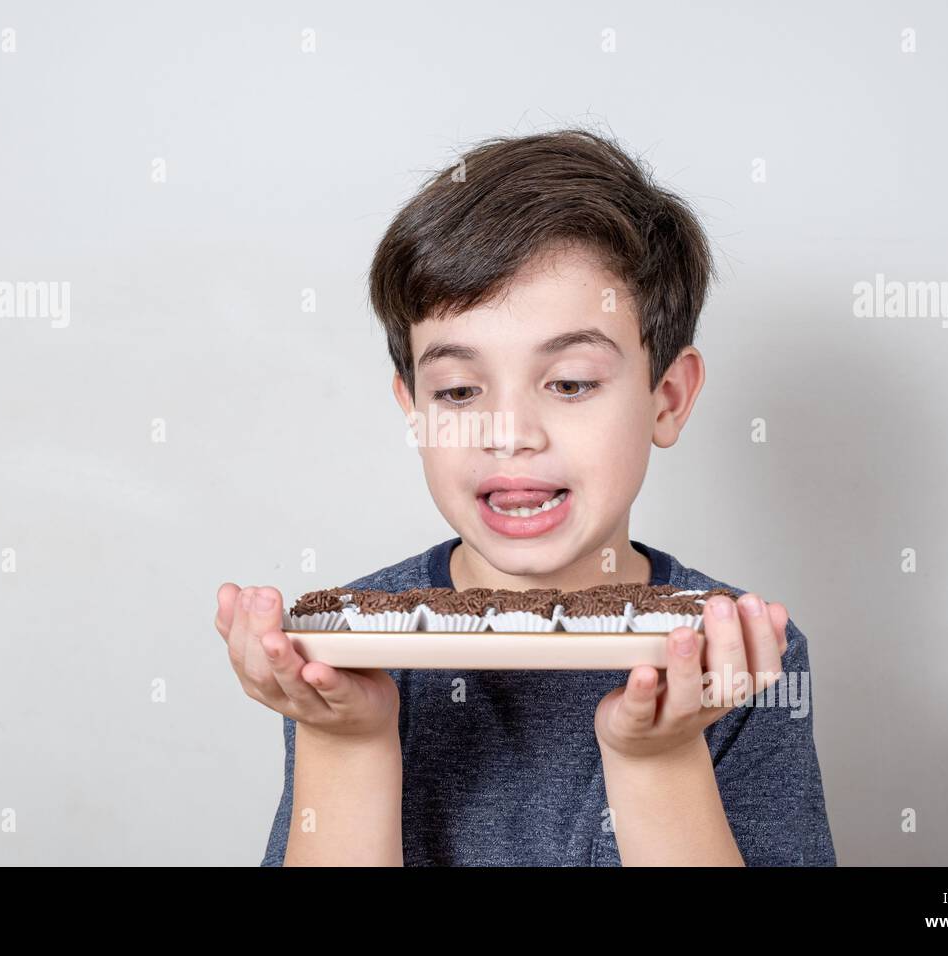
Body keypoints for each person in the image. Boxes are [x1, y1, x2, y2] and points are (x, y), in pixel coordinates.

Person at [215, 128, 837, 866]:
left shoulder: (734, 652)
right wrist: (345, 740)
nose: (508, 434)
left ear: (666, 397)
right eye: (458, 390)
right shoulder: (348, 652)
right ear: (414, 411)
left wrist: (658, 760)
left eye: (570, 383)